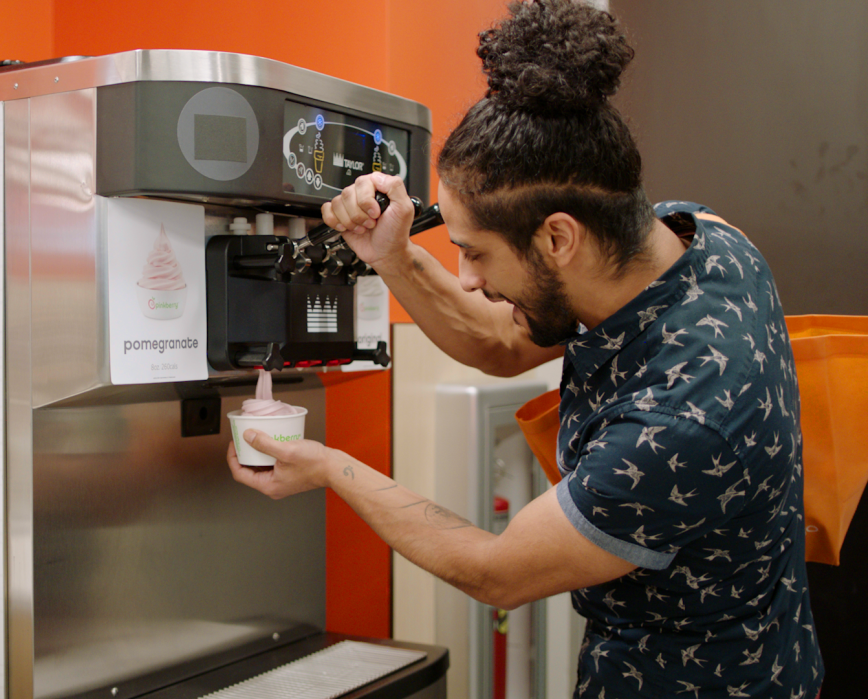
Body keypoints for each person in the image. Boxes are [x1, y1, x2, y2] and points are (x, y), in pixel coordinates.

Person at [226, 1, 824, 696]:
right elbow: (507, 340)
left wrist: (332, 467)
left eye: (475, 253)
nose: (470, 278)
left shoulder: (679, 422)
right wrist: (391, 258)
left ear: (559, 239)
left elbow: (496, 570)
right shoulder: (701, 238)